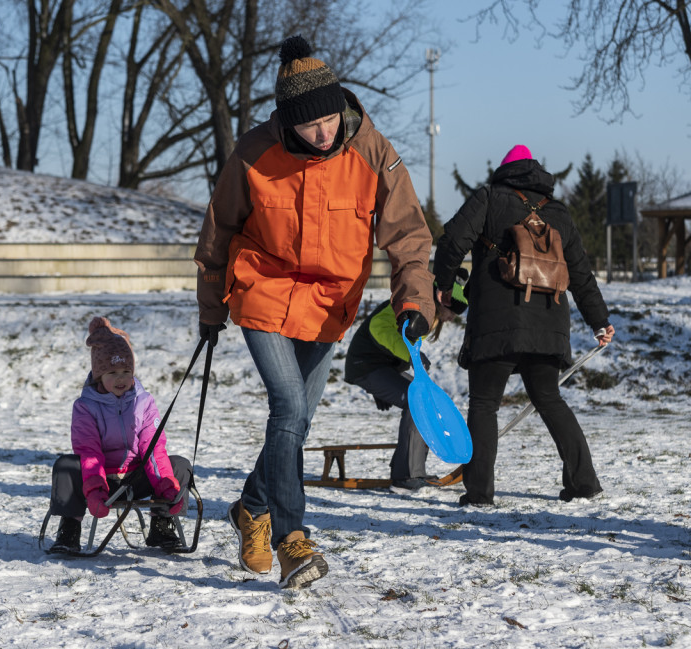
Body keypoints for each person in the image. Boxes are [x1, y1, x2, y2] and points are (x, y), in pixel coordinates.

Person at [194, 35, 436, 589]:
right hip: (262, 288)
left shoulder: (372, 150)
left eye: (330, 118)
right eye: (311, 125)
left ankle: (250, 507)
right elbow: (218, 234)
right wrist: (211, 309)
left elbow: (409, 237)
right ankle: (292, 539)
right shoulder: (254, 153)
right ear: (287, 122)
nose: (324, 132)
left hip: (329, 304)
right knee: (286, 406)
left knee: (298, 421)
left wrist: (415, 301)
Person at [433, 144, 616, 507]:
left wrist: (443, 284)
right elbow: (580, 273)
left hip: (496, 323)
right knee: (549, 399)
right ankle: (584, 483)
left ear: (505, 171)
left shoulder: (488, 197)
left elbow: (453, 239)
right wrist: (600, 321)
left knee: (484, 403)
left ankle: (480, 493)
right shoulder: (559, 213)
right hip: (549, 324)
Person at [47, 316, 192, 554]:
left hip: (137, 474)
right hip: (103, 476)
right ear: (98, 375)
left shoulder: (144, 402)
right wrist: (95, 488)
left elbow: (152, 447)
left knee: (179, 465)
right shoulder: (85, 407)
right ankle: (69, 528)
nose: (121, 378)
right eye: (113, 372)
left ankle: (162, 525)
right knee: (66, 466)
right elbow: (89, 451)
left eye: (127, 371)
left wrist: (165, 484)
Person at [344, 273, 470, 492]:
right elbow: (379, 329)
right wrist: (411, 356)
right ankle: (406, 476)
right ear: (443, 301)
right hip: (364, 365)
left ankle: (412, 470)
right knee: (416, 404)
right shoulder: (412, 306)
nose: (452, 318)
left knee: (426, 401)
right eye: (453, 312)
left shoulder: (428, 314)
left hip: (382, 367)